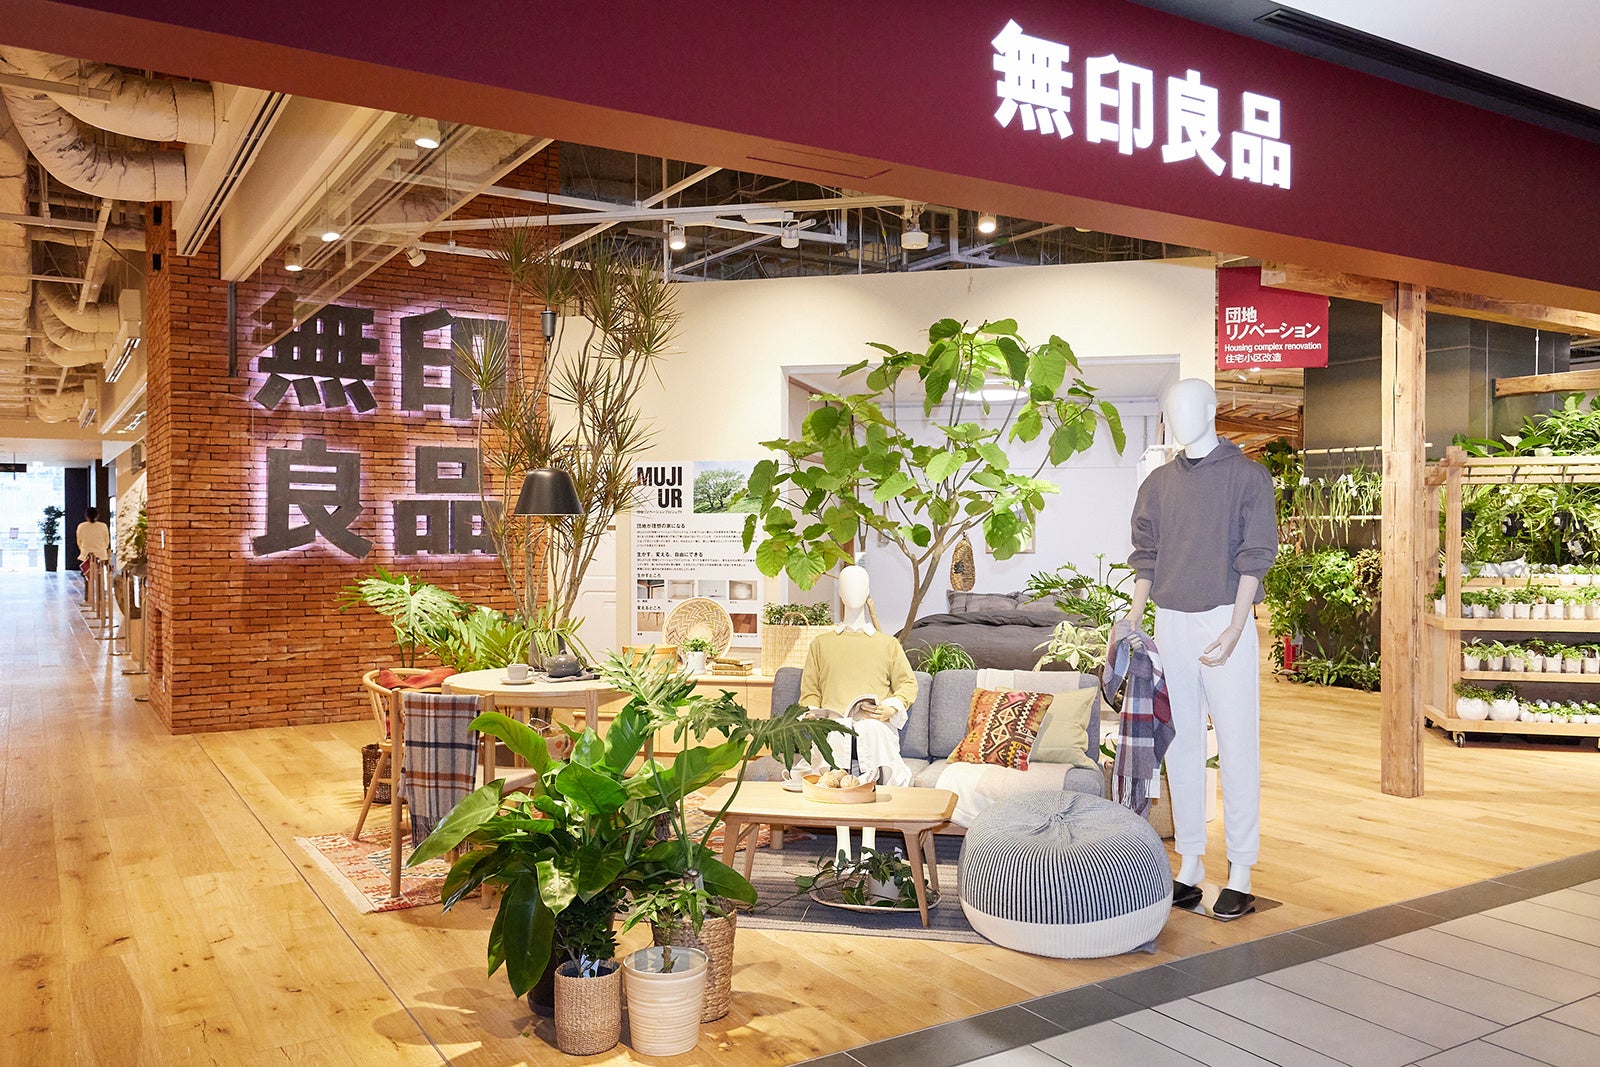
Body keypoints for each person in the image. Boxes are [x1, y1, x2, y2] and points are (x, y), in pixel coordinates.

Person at [1118, 378, 1277, 920]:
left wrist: (1236, 625)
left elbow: (1256, 554)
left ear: (1211, 409)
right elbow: (1147, 553)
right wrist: (1135, 614)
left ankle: (1242, 870)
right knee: (1181, 744)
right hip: (1170, 622)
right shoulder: (1158, 484)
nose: (1179, 417)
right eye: (1171, 409)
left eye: (1189, 406)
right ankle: (1189, 863)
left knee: (1237, 744)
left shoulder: (1248, 477)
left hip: (1224, 618)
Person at [798, 564, 918, 789]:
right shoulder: (821, 644)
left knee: (871, 730)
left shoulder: (888, 644)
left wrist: (890, 708)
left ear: (868, 591)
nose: (854, 591)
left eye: (860, 585)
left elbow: (908, 683)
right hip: (833, 727)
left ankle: (878, 793)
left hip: (875, 727)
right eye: (848, 586)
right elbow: (810, 691)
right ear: (840, 593)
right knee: (835, 733)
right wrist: (813, 713)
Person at [76, 505, 112, 604]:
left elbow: (79, 541)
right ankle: (101, 598)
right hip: (101, 555)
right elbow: (106, 541)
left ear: (86, 516)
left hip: (85, 555)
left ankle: (88, 598)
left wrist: (83, 549)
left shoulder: (81, 526)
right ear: (97, 515)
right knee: (100, 577)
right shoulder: (103, 526)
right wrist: (101, 548)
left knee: (87, 577)